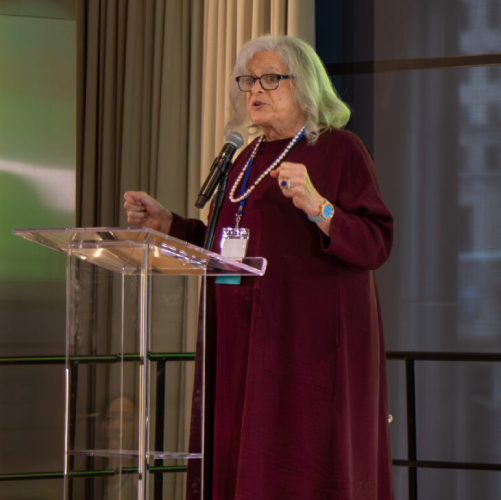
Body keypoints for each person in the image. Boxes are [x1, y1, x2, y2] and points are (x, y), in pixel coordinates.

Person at [124, 35, 394, 500]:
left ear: (304, 85)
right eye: (247, 81)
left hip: (307, 347)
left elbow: (376, 243)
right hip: (240, 340)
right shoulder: (242, 159)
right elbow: (224, 247)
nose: (255, 90)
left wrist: (318, 207)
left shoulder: (340, 150)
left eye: (270, 79)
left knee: (298, 465)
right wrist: (168, 224)